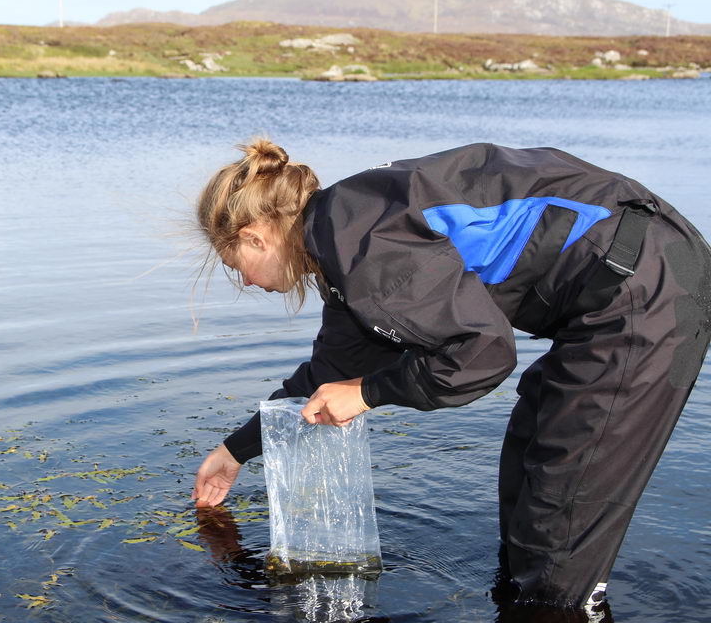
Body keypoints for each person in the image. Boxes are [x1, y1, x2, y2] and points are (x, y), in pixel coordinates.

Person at [190, 138, 711, 610]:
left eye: (235, 265)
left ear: (256, 237)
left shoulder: (363, 247)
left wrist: (370, 393)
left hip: (648, 288)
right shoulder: (344, 239)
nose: (247, 283)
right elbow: (328, 376)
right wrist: (233, 452)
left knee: (559, 524)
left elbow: (483, 356)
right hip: (618, 289)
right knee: (531, 470)